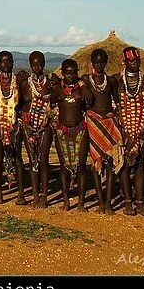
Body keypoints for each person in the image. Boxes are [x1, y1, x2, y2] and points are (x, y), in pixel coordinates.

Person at [80, 48, 123, 214]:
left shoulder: (110, 81)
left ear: (106, 62)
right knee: (95, 163)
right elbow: (76, 81)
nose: (99, 65)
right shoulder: (85, 80)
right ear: (92, 62)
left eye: (102, 62)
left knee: (110, 163)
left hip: (109, 123)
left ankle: (109, 203)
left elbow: (117, 101)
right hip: (93, 123)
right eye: (96, 62)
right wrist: (83, 87)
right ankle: (100, 202)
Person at [118, 47, 144, 216]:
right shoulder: (116, 80)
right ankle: (127, 202)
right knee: (124, 164)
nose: (135, 63)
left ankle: (140, 202)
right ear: (124, 62)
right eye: (131, 61)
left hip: (141, 130)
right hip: (122, 129)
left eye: (137, 60)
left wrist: (143, 125)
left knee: (139, 164)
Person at [51, 59, 88, 211]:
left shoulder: (82, 88)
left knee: (81, 167)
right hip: (62, 130)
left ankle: (81, 202)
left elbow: (89, 101)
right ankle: (66, 200)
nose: (70, 76)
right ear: (62, 73)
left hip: (80, 130)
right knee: (64, 167)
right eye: (67, 73)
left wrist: (83, 88)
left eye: (73, 73)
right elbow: (51, 101)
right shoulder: (57, 89)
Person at [21, 51, 54, 208]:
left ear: (44, 64)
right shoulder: (24, 83)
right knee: (32, 160)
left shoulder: (51, 83)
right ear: (30, 65)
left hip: (45, 126)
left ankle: (44, 196)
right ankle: (35, 195)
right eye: (34, 65)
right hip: (29, 126)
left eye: (40, 64)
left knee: (44, 160)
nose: (37, 67)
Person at [0, 50, 24, 204]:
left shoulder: (20, 80)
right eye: (3, 61)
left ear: (13, 63)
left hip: (14, 123)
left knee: (17, 158)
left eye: (9, 60)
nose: (6, 64)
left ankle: (21, 195)